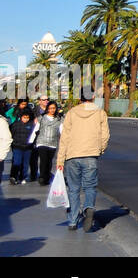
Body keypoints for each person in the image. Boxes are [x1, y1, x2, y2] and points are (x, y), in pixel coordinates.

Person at [56, 93, 110, 232]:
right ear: (92, 96)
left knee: (73, 189)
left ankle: (73, 221)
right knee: (90, 186)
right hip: (90, 155)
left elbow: (65, 137)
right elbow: (105, 135)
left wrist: (60, 159)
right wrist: (100, 149)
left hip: (72, 155)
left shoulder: (72, 113)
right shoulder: (100, 112)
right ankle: (88, 208)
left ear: (80, 97)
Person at [34, 101, 61, 186]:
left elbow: (62, 131)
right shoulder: (41, 118)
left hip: (53, 143)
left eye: (53, 108)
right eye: (50, 108)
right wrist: (30, 142)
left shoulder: (59, 119)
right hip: (42, 142)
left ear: (56, 109)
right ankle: (42, 177)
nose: (52, 110)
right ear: (47, 109)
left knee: (49, 161)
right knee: (43, 160)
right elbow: (35, 130)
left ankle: (47, 176)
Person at [10, 109, 36, 185]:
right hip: (17, 147)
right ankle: (14, 177)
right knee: (17, 162)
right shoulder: (15, 124)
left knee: (25, 164)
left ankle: (23, 177)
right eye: (24, 117)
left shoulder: (31, 125)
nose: (26, 119)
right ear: (21, 117)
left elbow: (34, 135)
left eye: (27, 117)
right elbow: (12, 134)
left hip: (28, 148)